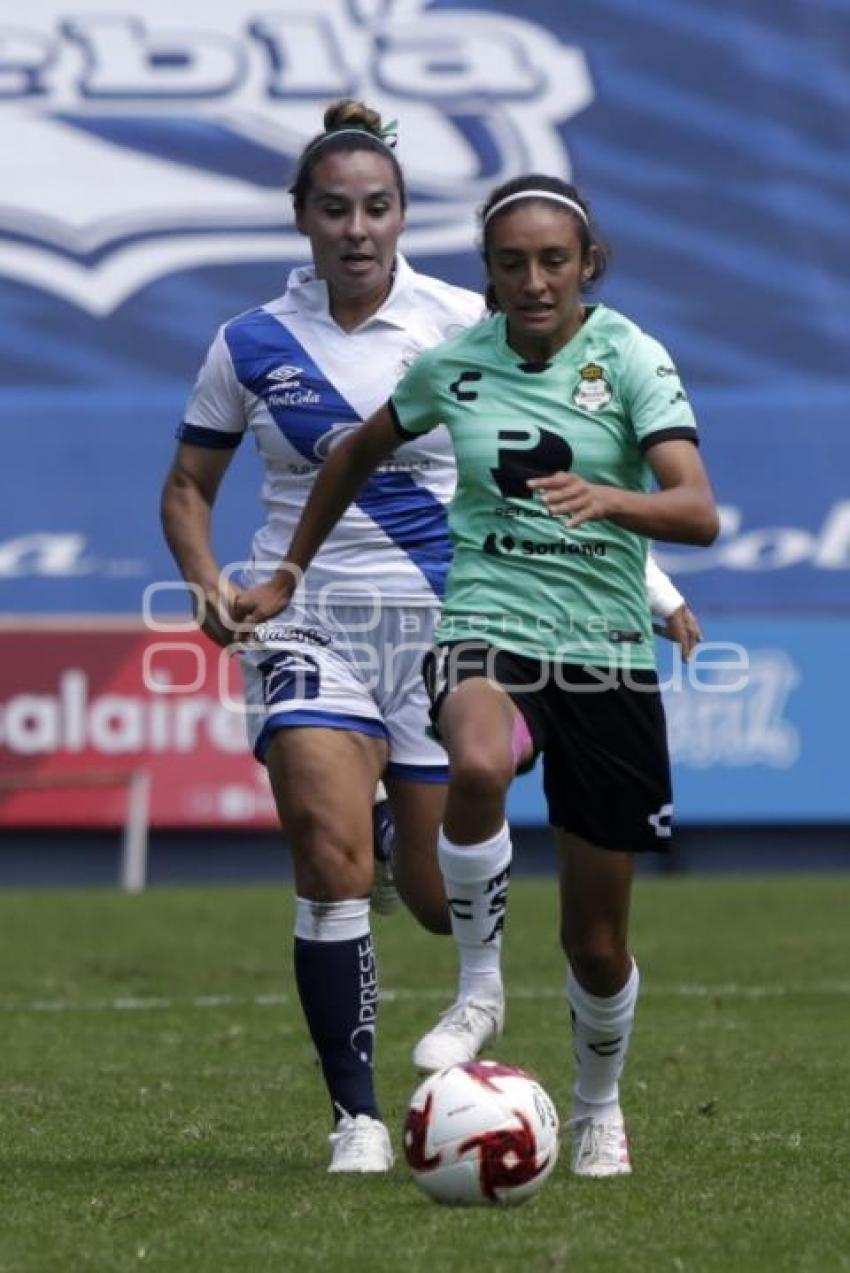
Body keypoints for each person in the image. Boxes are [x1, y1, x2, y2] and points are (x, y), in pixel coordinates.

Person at [231, 173, 719, 1180]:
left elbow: (696, 508)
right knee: (478, 762)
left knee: (594, 941)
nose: (533, 281)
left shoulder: (631, 357)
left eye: (552, 261)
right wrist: (289, 568)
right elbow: (358, 451)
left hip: (603, 655)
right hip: (484, 622)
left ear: (588, 266)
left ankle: (596, 1105)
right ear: (488, 275)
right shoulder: (454, 365)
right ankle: (480, 985)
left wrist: (614, 508)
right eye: (511, 263)